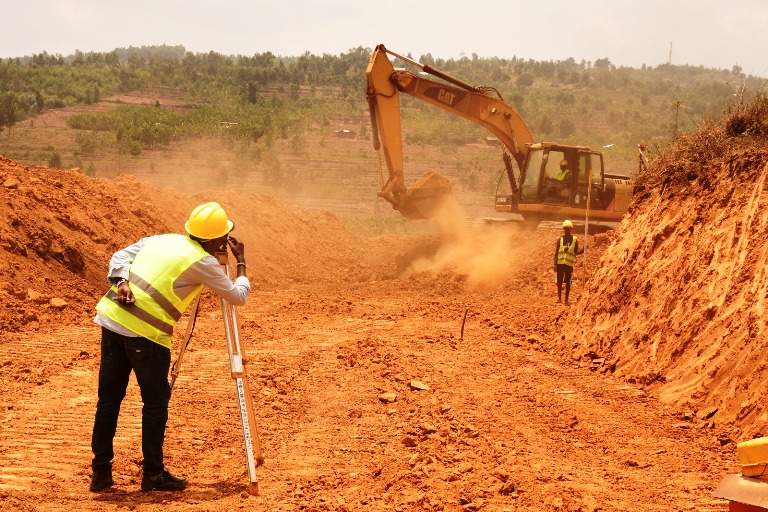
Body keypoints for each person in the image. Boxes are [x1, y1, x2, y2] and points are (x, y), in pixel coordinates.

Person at [89, 202, 251, 493]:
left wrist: (121, 281)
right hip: (146, 336)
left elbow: (119, 256)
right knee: (154, 403)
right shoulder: (204, 263)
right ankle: (153, 475)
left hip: (111, 321)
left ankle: (100, 473)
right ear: (217, 240)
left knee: (109, 399)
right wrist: (240, 263)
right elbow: (237, 296)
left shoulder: (161, 239)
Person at [553, 219, 583, 306]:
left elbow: (576, 251)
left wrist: (583, 250)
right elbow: (556, 252)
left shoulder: (574, 239)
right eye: (565, 228)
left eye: (567, 228)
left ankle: (566, 300)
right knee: (559, 281)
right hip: (560, 263)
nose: (566, 229)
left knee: (568, 282)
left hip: (569, 265)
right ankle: (559, 298)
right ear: (563, 229)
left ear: (570, 229)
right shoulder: (560, 239)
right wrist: (555, 264)